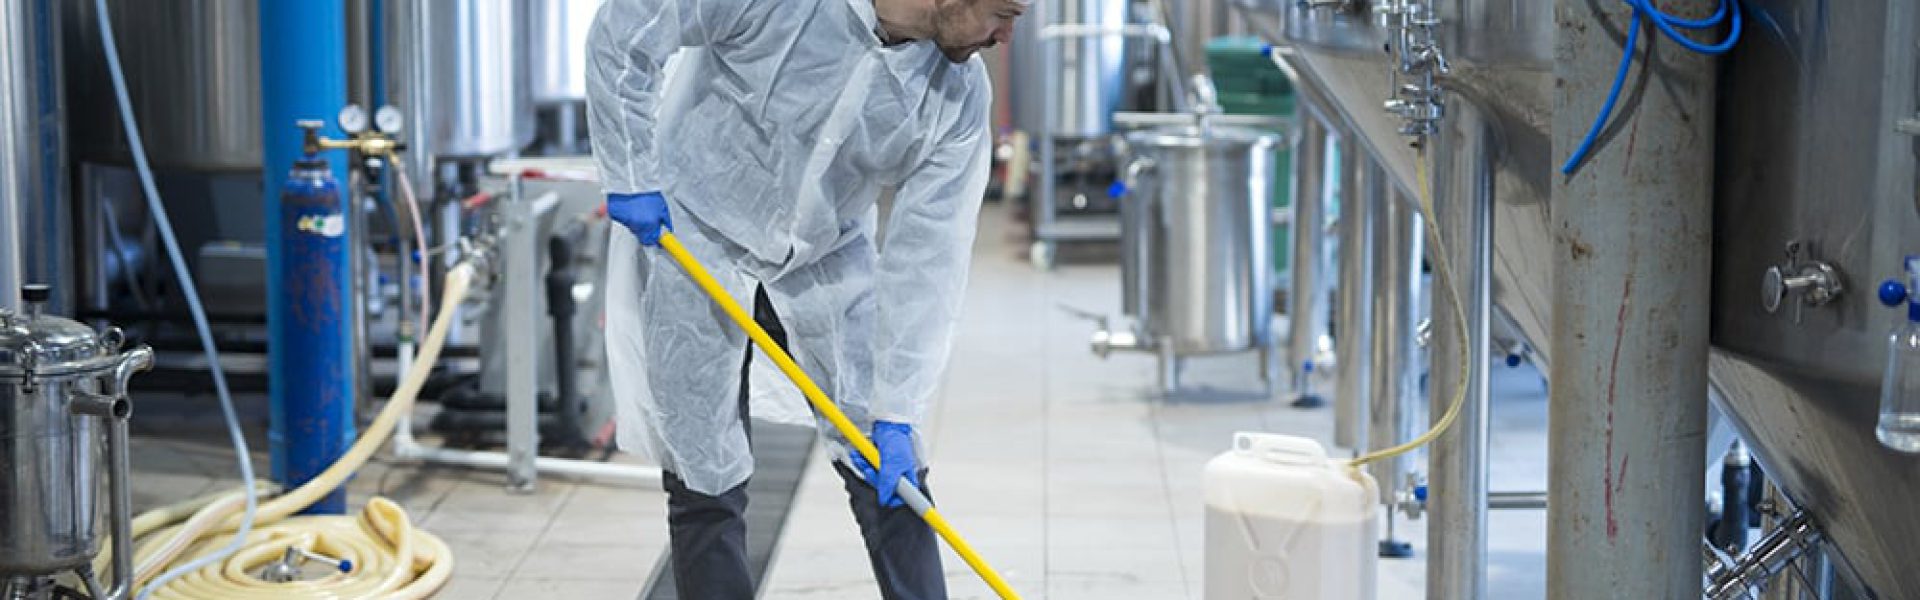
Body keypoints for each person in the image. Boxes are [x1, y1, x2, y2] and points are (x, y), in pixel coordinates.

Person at [586, 0, 1024, 596]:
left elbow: (928, 260)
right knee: (702, 478)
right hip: (697, 233)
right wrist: (631, 173)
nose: (1005, 36)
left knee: (890, 473)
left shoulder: (959, 97)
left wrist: (897, 409)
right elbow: (628, 30)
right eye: (1003, 13)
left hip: (823, 255)